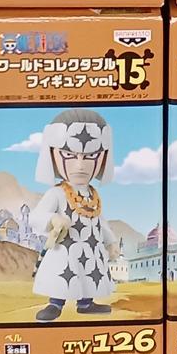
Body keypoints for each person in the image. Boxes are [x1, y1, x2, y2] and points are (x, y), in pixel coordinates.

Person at [30, 109, 121, 321]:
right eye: (70, 155)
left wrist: (111, 241)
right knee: (63, 273)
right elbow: (36, 216)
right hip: (66, 248)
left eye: (89, 156)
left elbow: (100, 220)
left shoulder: (93, 195)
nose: (80, 165)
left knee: (89, 273)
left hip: (91, 247)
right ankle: (55, 304)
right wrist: (53, 219)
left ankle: (86, 303)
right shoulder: (57, 193)